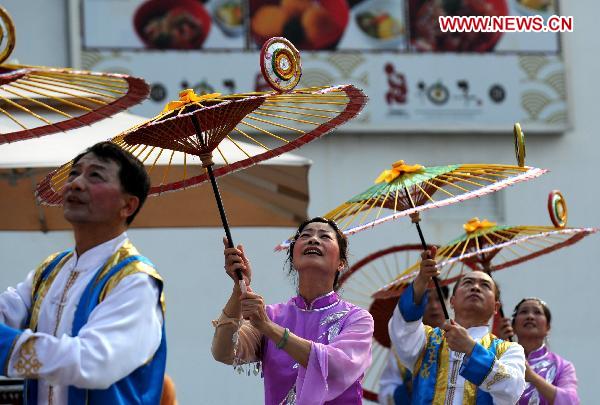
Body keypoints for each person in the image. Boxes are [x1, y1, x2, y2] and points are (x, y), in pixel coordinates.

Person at [0, 142, 166, 404]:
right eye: (74, 173)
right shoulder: (50, 271)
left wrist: (5, 344)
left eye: (95, 175)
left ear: (128, 206)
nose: (75, 184)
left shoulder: (136, 281)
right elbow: (6, 311)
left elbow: (91, 363)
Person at [211, 217, 374, 404]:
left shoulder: (357, 319)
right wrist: (239, 289)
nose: (313, 239)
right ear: (293, 257)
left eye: (325, 236)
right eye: (305, 235)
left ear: (341, 262)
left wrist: (270, 328)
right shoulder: (272, 316)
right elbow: (223, 352)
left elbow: (336, 367)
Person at [388, 247, 526, 404]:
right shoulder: (427, 339)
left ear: (496, 307)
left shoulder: (509, 349)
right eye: (468, 283)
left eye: (485, 286)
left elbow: (513, 388)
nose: (475, 287)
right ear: (452, 302)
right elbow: (402, 328)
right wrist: (421, 280)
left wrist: (471, 348)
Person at [379, 285, 449, 405]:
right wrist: (410, 388)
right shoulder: (401, 347)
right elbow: (387, 390)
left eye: (438, 299)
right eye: (426, 300)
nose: (434, 306)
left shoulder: (460, 338)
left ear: (448, 302)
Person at [507, 298, 579, 404]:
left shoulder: (562, 366)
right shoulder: (502, 359)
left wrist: (532, 377)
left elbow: (570, 401)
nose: (530, 316)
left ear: (547, 327)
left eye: (537, 312)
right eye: (524, 312)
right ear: (513, 326)